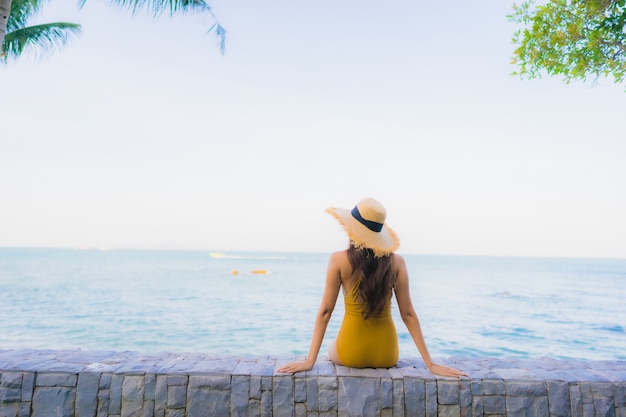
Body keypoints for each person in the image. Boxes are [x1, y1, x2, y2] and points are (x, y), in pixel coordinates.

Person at [277, 197, 467, 377]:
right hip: (387, 354)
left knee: (331, 347)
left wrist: (310, 361)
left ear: (351, 229)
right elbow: (408, 314)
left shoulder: (338, 260)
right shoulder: (397, 263)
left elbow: (325, 312)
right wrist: (430, 364)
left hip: (351, 352)